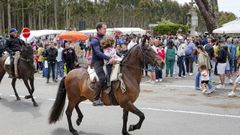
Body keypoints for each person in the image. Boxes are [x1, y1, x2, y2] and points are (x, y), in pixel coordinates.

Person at [91, 22, 116, 106]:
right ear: (98, 29)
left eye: (106, 28)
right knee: (102, 78)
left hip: (107, 61)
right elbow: (98, 53)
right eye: (104, 28)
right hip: (98, 62)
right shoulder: (94, 40)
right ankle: (96, 99)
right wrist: (109, 58)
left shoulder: (105, 38)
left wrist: (122, 56)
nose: (106, 30)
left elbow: (112, 49)